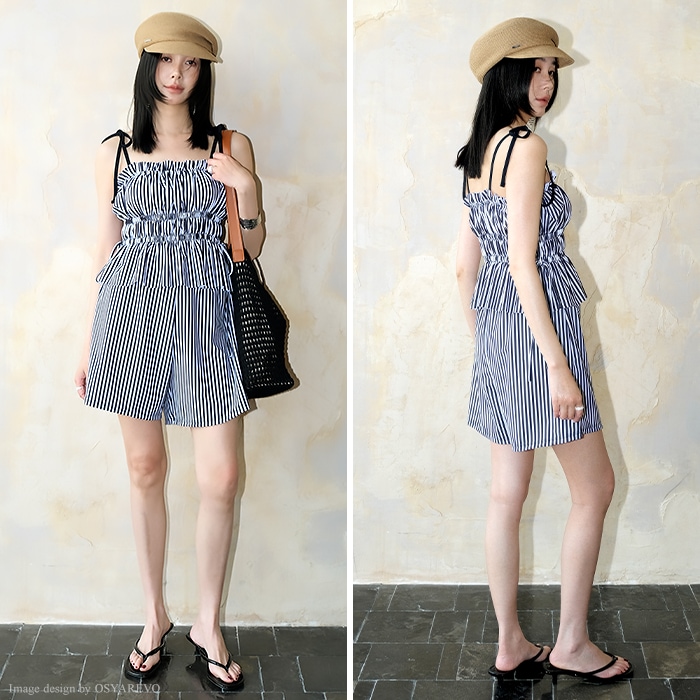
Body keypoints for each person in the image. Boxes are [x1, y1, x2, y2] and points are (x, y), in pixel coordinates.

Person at [74, 12, 264, 692]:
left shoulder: (229, 145)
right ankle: (154, 615)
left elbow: (252, 245)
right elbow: (106, 253)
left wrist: (245, 187)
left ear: (203, 71)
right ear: (147, 65)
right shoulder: (115, 153)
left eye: (190, 63)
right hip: (131, 317)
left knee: (220, 478)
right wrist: (90, 343)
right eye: (166, 60)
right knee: (146, 467)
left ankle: (208, 623)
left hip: (209, 320)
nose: (178, 74)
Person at [454, 18, 633, 684]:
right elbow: (524, 264)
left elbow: (464, 266)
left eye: (552, 71)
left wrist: (486, 339)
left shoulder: (480, 153)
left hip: (503, 334)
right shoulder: (526, 148)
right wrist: (557, 365)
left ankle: (510, 643)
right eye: (534, 69)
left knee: (506, 495)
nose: (546, 82)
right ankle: (571, 644)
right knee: (596, 487)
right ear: (505, 75)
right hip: (541, 334)